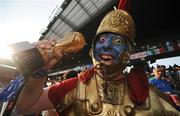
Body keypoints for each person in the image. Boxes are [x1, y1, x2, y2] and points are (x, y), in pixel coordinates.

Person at [15, 1, 179, 116]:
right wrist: (40, 70)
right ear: (93, 48)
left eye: (117, 41)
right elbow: (25, 107)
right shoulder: (75, 88)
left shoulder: (150, 95)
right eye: (101, 39)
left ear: (128, 52)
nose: (107, 46)